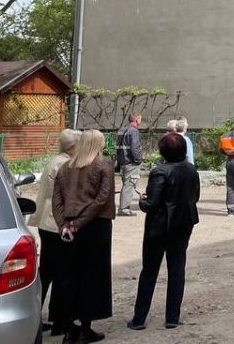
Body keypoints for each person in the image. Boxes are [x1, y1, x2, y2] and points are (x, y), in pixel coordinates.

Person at [127, 132, 200, 331]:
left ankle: (139, 319)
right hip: (183, 224)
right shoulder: (191, 170)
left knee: (150, 271)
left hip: (159, 227)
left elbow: (152, 204)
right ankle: (172, 318)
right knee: (177, 270)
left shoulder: (160, 171)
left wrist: (142, 200)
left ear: (162, 151)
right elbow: (196, 196)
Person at [52, 129, 115, 343]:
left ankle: (70, 327)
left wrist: (63, 225)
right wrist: (77, 224)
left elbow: (57, 200)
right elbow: (102, 199)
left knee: (71, 276)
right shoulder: (103, 164)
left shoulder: (65, 167)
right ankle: (85, 326)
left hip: (69, 226)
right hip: (94, 226)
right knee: (92, 276)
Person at [32, 128, 80, 337]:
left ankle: (35, 319)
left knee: (47, 272)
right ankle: (61, 320)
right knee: (64, 273)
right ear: (72, 147)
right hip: (58, 223)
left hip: (46, 222)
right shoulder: (66, 165)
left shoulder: (53, 161)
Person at [116, 113, 144, 216]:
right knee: (129, 185)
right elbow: (135, 147)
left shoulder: (122, 130)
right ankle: (124, 209)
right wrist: (138, 160)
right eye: (140, 119)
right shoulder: (134, 131)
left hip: (122, 162)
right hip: (131, 162)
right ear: (137, 120)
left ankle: (123, 207)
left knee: (126, 185)